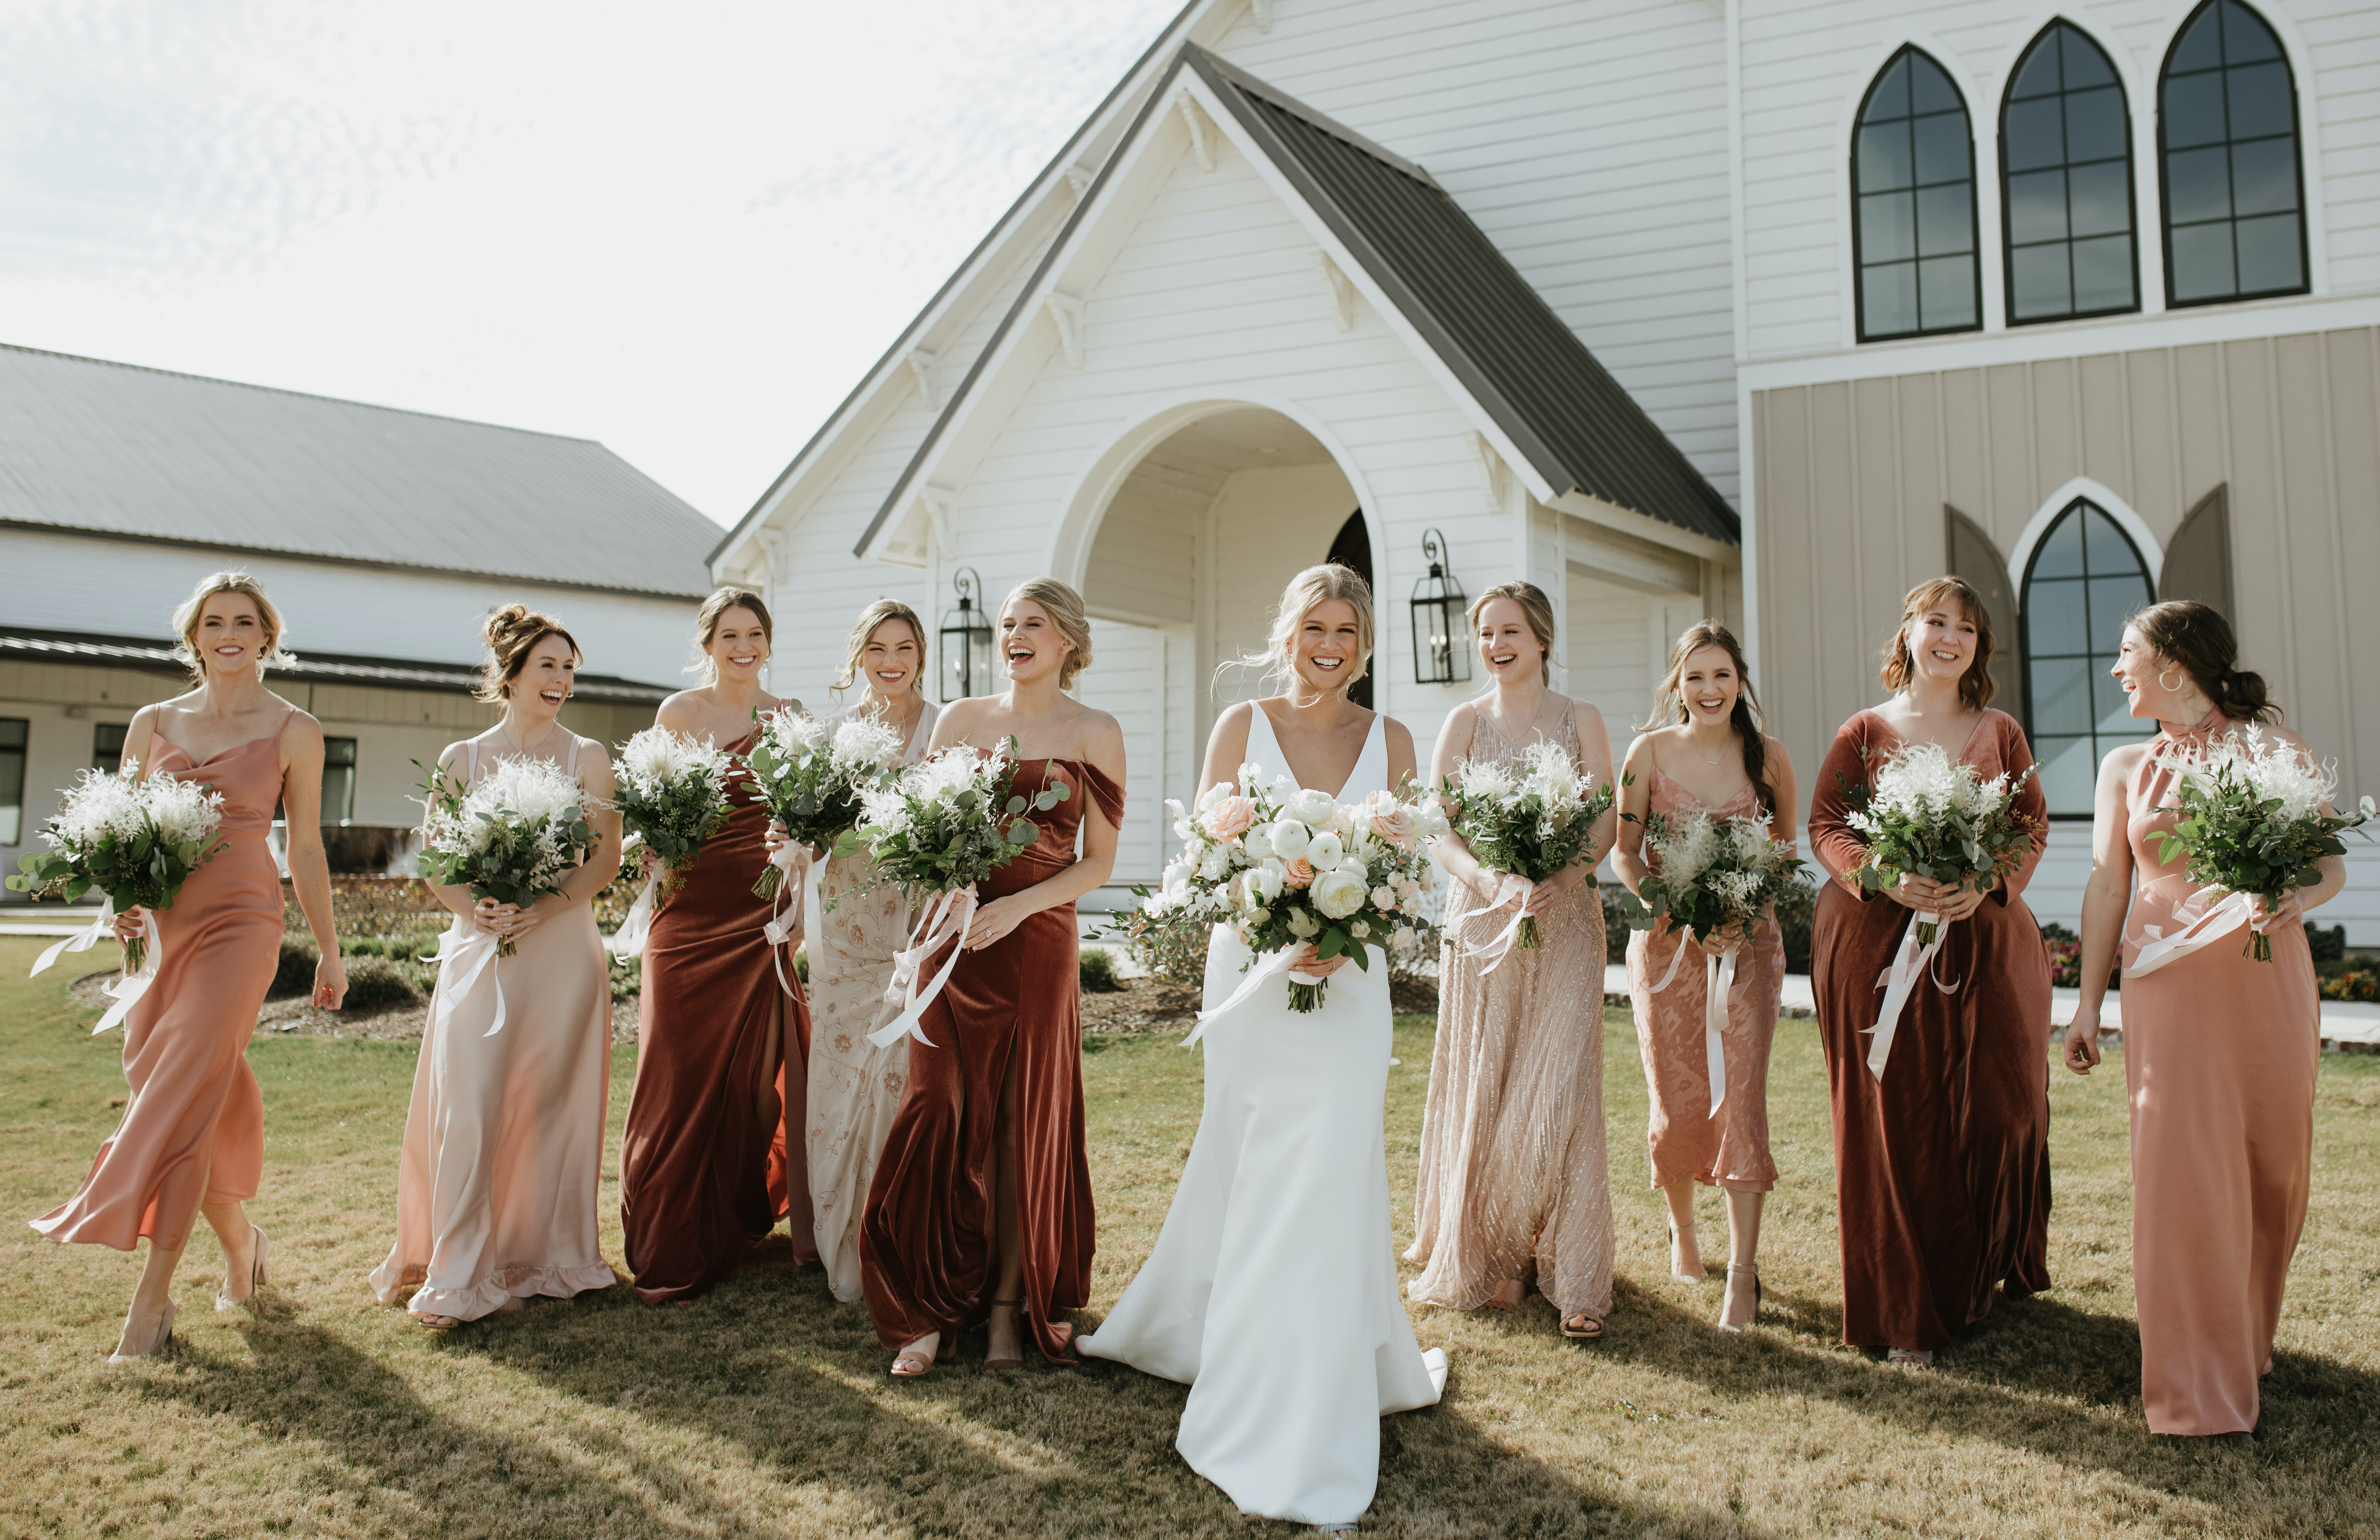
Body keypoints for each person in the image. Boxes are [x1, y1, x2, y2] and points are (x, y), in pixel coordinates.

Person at [1082, 564, 1446, 1535]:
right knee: (1252, 1158)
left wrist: (1348, 928)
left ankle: (1325, 1367)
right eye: (1315, 626)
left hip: (1351, 986)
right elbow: (1207, 858)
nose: (1330, 644)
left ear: (1364, 644)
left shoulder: (1395, 739)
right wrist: (1277, 924)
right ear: (1286, 633)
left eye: (1347, 630)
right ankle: (1243, 1352)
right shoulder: (1239, 728)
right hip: (1250, 978)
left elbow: (1409, 876)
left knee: (1332, 1164)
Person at [33, 572, 347, 1361]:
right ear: (195, 637)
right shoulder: (153, 721)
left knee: (182, 1086)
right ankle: (242, 1245)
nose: (230, 632)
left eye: (246, 621)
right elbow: (120, 829)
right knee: (181, 1097)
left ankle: (153, 1299)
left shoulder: (294, 729)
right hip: (158, 928)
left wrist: (330, 949)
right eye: (215, 621)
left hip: (243, 920)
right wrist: (120, 902)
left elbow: (303, 846)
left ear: (267, 637)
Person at [2061, 601, 2340, 1437]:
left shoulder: (2275, 752)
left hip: (2266, 987)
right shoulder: (2120, 768)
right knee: (2180, 1181)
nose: (2116, 670)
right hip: (2168, 994)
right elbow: (2110, 885)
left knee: (2268, 1172)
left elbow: (2325, 866)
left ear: (2175, 666)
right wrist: (2084, 1003)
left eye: (2126, 654)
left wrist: (2295, 893)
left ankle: (2243, 1340)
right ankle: (2191, 1391)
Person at [860, 578, 1125, 1374]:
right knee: (936, 1106)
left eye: (1033, 624)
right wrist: (945, 882)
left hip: (1036, 944)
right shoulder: (961, 720)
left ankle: (1008, 1311)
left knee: (1019, 1125)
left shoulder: (1095, 731)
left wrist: (1019, 911)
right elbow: (923, 830)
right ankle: (929, 1308)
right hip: (952, 939)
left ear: (1067, 641)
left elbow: (1099, 863)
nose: (1015, 634)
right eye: (1008, 623)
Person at [1805, 576, 2052, 1367]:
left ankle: (1975, 1274)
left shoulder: (2001, 732)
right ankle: (1903, 1302)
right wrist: (1880, 872)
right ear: (1907, 633)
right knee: (1897, 1119)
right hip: (1877, 950)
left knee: (1996, 1111)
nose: (1949, 638)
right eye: (1935, 622)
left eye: (1967, 630)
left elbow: (2028, 825)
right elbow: (1825, 826)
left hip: (1981, 947)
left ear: (1980, 649)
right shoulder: (1864, 731)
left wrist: (1983, 882)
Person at [370, 605, 623, 1329]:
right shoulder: (462, 760)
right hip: (480, 951)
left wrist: (544, 907)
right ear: (510, 674)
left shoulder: (589, 758)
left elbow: (606, 856)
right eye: (549, 665)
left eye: (570, 667)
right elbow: (437, 863)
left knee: (548, 1106)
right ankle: (456, 1271)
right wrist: (471, 909)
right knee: (472, 1104)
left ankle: (542, 1257)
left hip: (562, 951)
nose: (563, 679)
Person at [1406, 581, 1618, 1340]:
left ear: (1542, 639)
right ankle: (1496, 1255)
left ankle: (1572, 1264)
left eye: (1510, 632)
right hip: (1484, 919)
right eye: (1485, 634)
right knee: (1489, 1075)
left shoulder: (1581, 719)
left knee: (1558, 1083)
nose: (1496, 645)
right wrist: (1488, 879)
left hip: (1566, 921)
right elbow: (1438, 827)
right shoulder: (1463, 721)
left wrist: (1564, 877)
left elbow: (1606, 822)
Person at [618, 587, 805, 1304]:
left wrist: (801, 850)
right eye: (729, 634)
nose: (743, 646)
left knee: (756, 1087)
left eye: (755, 632)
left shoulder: (789, 720)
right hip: (687, 918)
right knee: (676, 1078)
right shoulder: (680, 715)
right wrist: (650, 853)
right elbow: (649, 815)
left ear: (768, 640)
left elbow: (806, 820)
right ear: (708, 643)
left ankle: (733, 1218)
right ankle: (669, 1234)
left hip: (760, 918)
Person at [1611, 623, 1796, 1332]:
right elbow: (1626, 852)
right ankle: (1684, 1232)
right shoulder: (1647, 753)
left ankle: (1743, 1273)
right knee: (1679, 1099)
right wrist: (1676, 907)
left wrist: (1742, 911)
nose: (1710, 690)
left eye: (1722, 675)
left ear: (1740, 681)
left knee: (1741, 1103)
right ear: (1676, 684)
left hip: (1749, 950)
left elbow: (1782, 853)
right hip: (1667, 952)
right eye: (1695, 677)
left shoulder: (1769, 758)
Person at [796, 599, 939, 1302]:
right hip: (847, 932)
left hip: (914, 928)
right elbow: (815, 841)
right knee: (842, 1075)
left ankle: (903, 1241)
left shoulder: (946, 729)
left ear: (921, 653)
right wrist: (796, 848)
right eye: (878, 648)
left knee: (907, 1078)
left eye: (904, 646)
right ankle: (845, 1240)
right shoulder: (832, 737)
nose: (891, 660)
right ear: (859, 656)